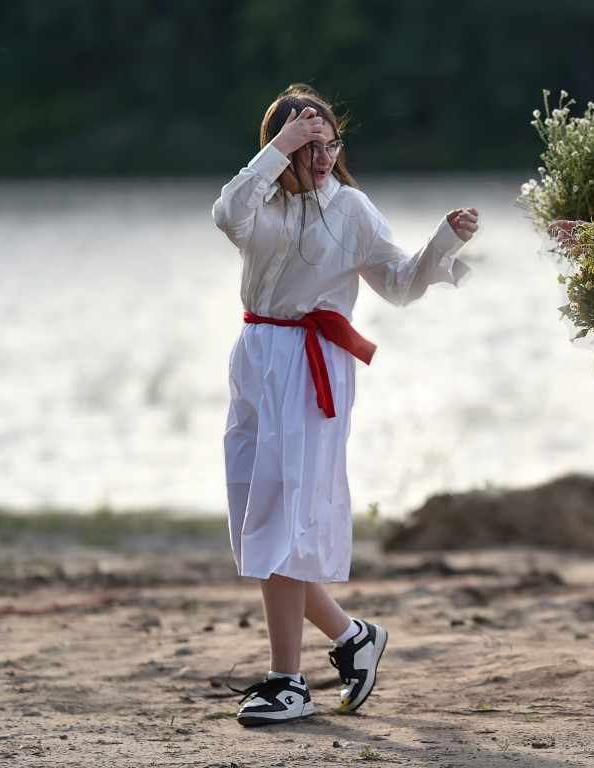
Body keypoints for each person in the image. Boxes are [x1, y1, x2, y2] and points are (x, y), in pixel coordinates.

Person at [212, 84, 479, 726]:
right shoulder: (261, 203)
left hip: (313, 368)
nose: (325, 155)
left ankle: (287, 682)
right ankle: (353, 638)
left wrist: (442, 242)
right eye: (311, 145)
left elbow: (400, 284)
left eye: (331, 143)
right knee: (255, 514)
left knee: (283, 517)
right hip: (256, 355)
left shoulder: (353, 209)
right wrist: (283, 146)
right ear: (284, 148)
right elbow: (226, 215)